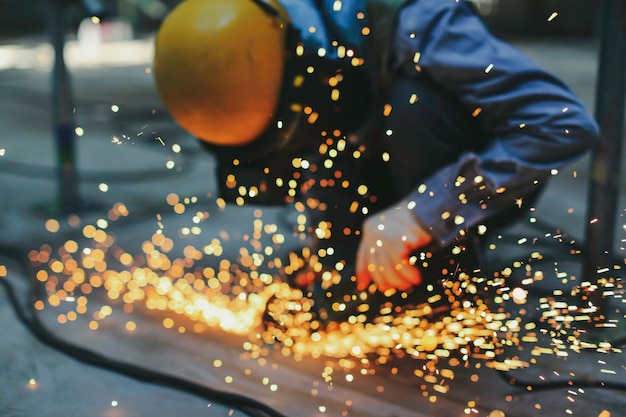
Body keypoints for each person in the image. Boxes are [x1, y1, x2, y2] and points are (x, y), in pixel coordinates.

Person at [153, 0, 600, 323]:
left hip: (476, 177)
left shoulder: (421, 19)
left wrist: (419, 214)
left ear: (313, 67)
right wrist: (330, 252)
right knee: (341, 291)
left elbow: (561, 124)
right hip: (371, 151)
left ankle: (445, 271)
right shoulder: (279, 51)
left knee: (415, 104)